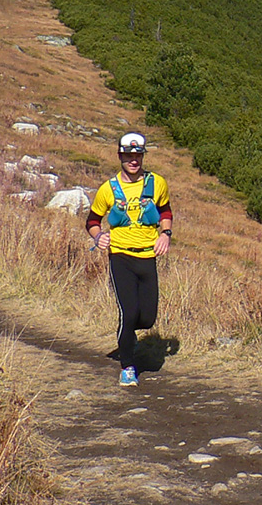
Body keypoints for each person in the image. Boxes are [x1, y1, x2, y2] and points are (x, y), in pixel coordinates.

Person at [86, 132, 174, 387]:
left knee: (147, 318)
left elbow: (165, 210)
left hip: (148, 256)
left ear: (142, 156)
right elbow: (92, 221)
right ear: (120, 156)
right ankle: (127, 366)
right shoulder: (108, 189)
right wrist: (98, 237)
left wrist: (165, 234)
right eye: (128, 156)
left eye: (137, 156)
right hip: (121, 257)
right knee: (129, 311)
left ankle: (129, 337)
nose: (133, 160)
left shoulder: (157, 183)